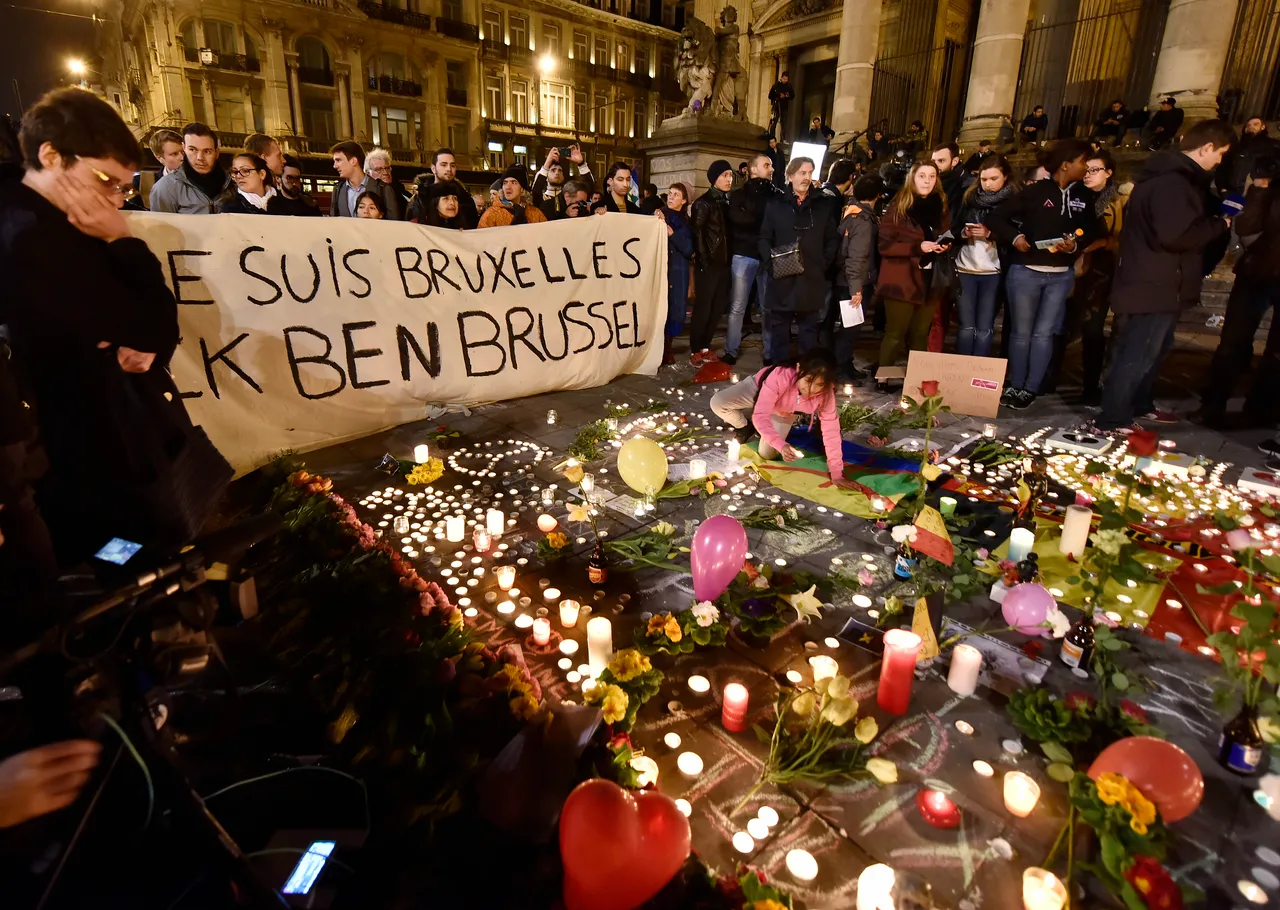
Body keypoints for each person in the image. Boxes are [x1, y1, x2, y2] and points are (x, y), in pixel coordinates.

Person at [0, 87, 226, 563]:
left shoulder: (65, 222)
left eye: (124, 187)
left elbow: (152, 332)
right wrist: (126, 244)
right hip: (92, 462)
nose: (116, 200)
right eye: (106, 180)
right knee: (122, 561)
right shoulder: (34, 237)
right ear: (51, 156)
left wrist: (142, 329)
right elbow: (153, 325)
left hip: (112, 446)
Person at [1096, 119, 1236, 432]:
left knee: (1152, 351)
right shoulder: (1172, 183)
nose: (1219, 161)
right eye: (1221, 154)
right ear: (1207, 147)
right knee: (1137, 353)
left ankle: (1139, 404)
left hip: (1160, 282)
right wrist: (1219, 225)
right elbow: (1175, 235)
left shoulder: (1174, 180)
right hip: (1153, 282)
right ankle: (1113, 417)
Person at [986, 138, 1097, 410]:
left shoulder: (1083, 196)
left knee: (1044, 334)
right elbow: (995, 218)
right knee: (1021, 334)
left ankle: (1031, 388)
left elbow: (1093, 230)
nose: (1087, 168)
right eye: (1083, 162)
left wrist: (1076, 244)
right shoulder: (1035, 192)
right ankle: (1015, 384)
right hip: (1026, 271)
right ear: (1065, 164)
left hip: (1060, 275)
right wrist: (1016, 238)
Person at [1196, 155, 1279, 429]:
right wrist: (1258, 189)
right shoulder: (1270, 188)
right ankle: (1213, 403)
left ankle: (1259, 409)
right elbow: (1246, 226)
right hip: (1257, 273)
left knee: (1276, 353)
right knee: (1231, 343)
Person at [709, 349, 855, 490]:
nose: (811, 389)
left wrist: (837, 474)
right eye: (808, 380)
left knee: (767, 454)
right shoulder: (780, 376)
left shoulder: (825, 394)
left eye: (819, 384)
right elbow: (760, 415)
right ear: (799, 369)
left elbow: (831, 432)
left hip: (783, 411)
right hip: (758, 390)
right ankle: (745, 425)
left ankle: (763, 429)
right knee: (718, 402)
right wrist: (780, 443)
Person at [1047, 150, 1127, 402]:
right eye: (1087, 169)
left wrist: (1101, 243)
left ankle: (1091, 386)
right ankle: (1050, 378)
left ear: (1108, 173)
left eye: (1095, 170)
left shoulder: (1117, 200)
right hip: (1070, 264)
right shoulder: (1073, 194)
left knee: (1093, 328)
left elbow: (1120, 238)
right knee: (1060, 324)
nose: (1088, 174)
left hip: (1100, 270)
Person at [758, 157, 838, 361]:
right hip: (782, 277)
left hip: (811, 278)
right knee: (779, 332)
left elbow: (832, 239)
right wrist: (772, 264)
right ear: (790, 175)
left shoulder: (822, 205)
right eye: (802, 173)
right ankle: (779, 375)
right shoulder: (775, 205)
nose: (807, 177)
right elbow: (765, 238)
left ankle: (807, 375)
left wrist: (822, 263)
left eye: (810, 173)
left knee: (809, 333)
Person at [875, 161, 950, 372]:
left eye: (932, 176)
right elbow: (885, 245)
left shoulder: (940, 205)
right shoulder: (898, 206)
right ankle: (885, 377)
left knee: (920, 333)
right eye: (922, 176)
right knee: (896, 333)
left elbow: (945, 232)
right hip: (901, 280)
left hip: (931, 279)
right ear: (912, 178)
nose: (927, 181)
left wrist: (945, 244)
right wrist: (918, 247)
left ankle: (917, 378)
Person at [953, 154, 1016, 357]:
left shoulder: (1013, 202)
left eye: (993, 179)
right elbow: (953, 229)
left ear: (1005, 177)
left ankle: (979, 371)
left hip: (993, 271)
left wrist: (991, 234)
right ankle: (962, 370)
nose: (988, 184)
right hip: (965, 268)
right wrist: (964, 233)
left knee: (984, 327)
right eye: (984, 179)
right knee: (966, 326)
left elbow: (1019, 236)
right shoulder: (969, 198)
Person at [723, 152, 781, 365]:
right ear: (753, 169)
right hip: (744, 254)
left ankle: (769, 352)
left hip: (767, 256)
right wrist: (763, 217)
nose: (772, 169)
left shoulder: (776, 194)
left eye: (772, 165)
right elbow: (739, 220)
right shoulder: (740, 195)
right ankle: (731, 350)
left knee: (768, 307)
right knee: (738, 305)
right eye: (767, 165)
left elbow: (774, 223)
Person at [833, 175, 884, 382]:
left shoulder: (850, 211)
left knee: (848, 328)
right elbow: (856, 256)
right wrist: (857, 289)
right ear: (878, 196)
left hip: (846, 280)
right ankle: (841, 369)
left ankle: (844, 365)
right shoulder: (863, 221)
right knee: (850, 329)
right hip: (855, 282)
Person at [689, 160, 734, 365]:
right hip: (708, 265)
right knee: (703, 308)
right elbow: (697, 233)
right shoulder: (703, 203)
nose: (729, 179)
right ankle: (695, 348)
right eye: (724, 175)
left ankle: (706, 346)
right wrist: (704, 259)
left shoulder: (727, 202)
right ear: (714, 178)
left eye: (730, 175)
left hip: (725, 264)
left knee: (717, 308)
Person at [149, 121, 230, 214]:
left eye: (207, 151)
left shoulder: (231, 182)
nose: (200, 158)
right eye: (192, 150)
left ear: (217, 153)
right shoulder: (165, 187)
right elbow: (161, 227)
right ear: (184, 148)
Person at [657, 182, 695, 365]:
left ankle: (667, 348)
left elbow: (688, 249)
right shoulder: (659, 215)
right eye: (670, 193)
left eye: (676, 195)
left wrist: (672, 234)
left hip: (677, 271)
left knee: (673, 310)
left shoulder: (687, 223)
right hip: (661, 270)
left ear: (684, 200)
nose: (671, 197)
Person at [217, 153, 317, 216]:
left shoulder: (283, 203)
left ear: (262, 174)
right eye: (235, 171)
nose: (239, 176)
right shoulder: (229, 209)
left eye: (245, 170)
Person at [1216, 116, 1276, 196]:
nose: (1251, 127)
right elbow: (1222, 169)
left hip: (1259, 195)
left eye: (1255, 124)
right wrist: (1222, 189)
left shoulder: (1273, 145)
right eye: (1248, 125)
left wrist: (1268, 180)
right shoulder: (1236, 148)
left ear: (1263, 127)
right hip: (1231, 194)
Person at [478, 164, 549, 227]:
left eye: (513, 182)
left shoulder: (535, 214)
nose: (508, 187)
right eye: (505, 183)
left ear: (522, 189)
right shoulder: (491, 214)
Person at [532, 145, 593, 209]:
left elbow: (589, 190)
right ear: (546, 176)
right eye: (553, 170)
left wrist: (581, 163)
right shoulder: (540, 199)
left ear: (563, 177)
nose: (557, 173)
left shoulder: (568, 197)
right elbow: (535, 192)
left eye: (560, 170)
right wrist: (547, 164)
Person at [329, 141, 375, 217]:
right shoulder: (338, 190)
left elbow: (393, 224)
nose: (335, 166)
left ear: (353, 161)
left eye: (338, 160)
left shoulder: (382, 189)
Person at [365, 147, 408, 220]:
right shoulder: (365, 194)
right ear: (368, 173)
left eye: (387, 168)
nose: (385, 172)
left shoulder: (402, 194)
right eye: (379, 169)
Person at [767, 71, 794, 138]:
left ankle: (783, 139)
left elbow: (793, 95)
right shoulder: (776, 85)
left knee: (784, 124)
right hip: (776, 107)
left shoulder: (789, 86)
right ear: (781, 78)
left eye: (786, 79)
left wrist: (788, 96)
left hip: (784, 107)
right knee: (774, 123)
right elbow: (770, 96)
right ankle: (772, 138)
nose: (785, 81)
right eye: (784, 79)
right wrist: (779, 95)